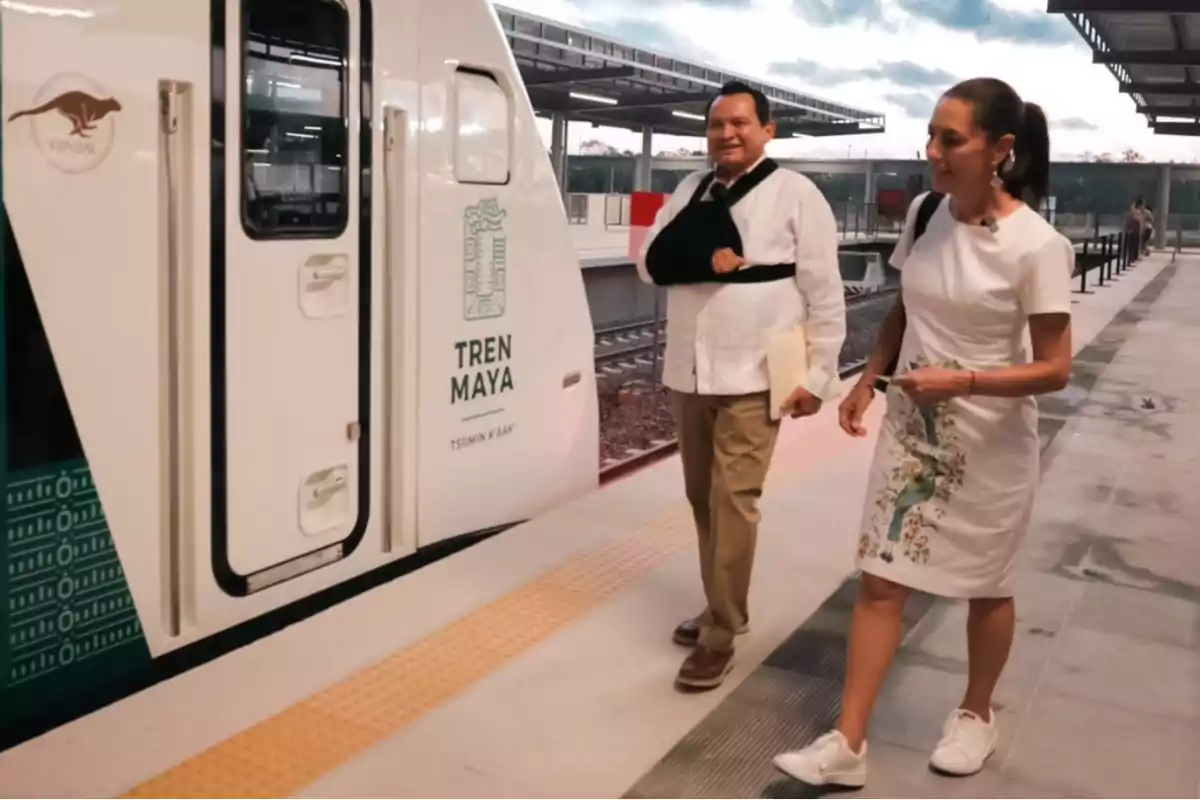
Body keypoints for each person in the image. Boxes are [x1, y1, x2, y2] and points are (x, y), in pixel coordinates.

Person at [772, 77, 1074, 786]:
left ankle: (976, 714)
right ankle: (848, 743)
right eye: (931, 135)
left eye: (951, 139)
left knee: (986, 585)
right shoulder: (925, 212)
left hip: (990, 444)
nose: (932, 151)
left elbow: (1057, 368)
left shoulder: (1038, 247)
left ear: (1000, 149)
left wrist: (962, 380)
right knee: (881, 579)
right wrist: (870, 377)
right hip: (913, 433)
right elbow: (905, 308)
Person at [636, 80, 846, 691]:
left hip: (757, 374)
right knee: (702, 498)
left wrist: (817, 375)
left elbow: (824, 292)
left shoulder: (797, 195)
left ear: (768, 129)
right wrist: (707, 260)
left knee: (735, 501)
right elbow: (651, 261)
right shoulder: (688, 190)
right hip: (690, 371)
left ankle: (722, 631)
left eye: (740, 123)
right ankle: (719, 604)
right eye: (716, 125)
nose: (726, 133)